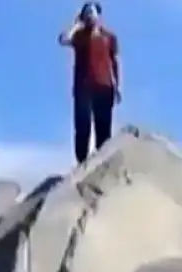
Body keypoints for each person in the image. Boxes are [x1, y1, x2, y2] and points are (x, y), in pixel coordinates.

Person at [58, 2, 121, 164]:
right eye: (86, 13)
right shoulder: (79, 36)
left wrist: (117, 86)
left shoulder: (109, 37)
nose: (90, 15)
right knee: (82, 126)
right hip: (83, 87)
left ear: (98, 15)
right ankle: (82, 163)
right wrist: (75, 25)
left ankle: (102, 163)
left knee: (103, 128)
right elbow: (63, 39)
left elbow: (115, 62)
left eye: (92, 12)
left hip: (105, 86)